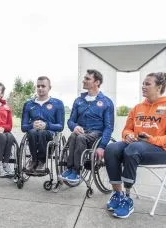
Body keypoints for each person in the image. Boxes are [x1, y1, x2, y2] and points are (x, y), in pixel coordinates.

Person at [105, 72, 166, 218]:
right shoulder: (137, 107)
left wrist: (151, 139)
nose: (143, 86)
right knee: (111, 148)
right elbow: (127, 128)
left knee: (134, 149)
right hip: (136, 147)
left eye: (147, 84)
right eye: (143, 83)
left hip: (160, 150)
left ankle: (127, 198)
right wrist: (128, 135)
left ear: (159, 87)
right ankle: (117, 194)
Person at [61, 69, 114, 182]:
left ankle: (76, 171)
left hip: (96, 133)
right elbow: (70, 120)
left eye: (87, 79)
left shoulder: (106, 102)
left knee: (79, 137)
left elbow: (109, 127)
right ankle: (69, 168)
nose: (83, 81)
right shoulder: (79, 101)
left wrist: (102, 146)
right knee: (73, 136)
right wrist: (74, 127)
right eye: (84, 78)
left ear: (97, 82)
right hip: (81, 132)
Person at [21, 76, 65, 173]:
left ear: (49, 87)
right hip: (33, 133)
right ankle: (34, 160)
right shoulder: (28, 104)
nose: (40, 88)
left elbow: (60, 126)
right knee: (31, 132)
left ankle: (41, 160)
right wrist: (31, 125)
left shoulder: (57, 103)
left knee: (42, 133)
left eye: (43, 86)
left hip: (49, 134)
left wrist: (46, 126)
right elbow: (23, 127)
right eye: (38, 86)